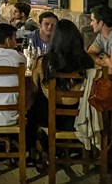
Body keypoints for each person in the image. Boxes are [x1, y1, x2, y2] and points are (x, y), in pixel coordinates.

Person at [27, 19, 94, 149]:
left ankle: (32, 148)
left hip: (48, 118)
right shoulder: (86, 62)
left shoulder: (44, 62)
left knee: (33, 105)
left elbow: (34, 87)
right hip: (78, 118)